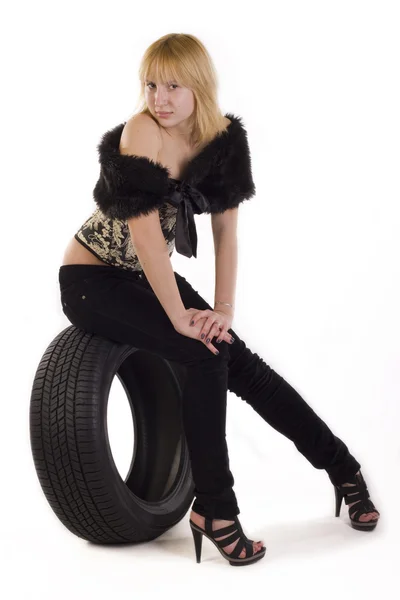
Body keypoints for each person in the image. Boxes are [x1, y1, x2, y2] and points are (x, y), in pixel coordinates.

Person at [59, 33, 380, 566]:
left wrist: (221, 309)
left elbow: (225, 233)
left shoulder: (224, 140)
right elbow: (143, 236)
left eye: (172, 85)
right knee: (202, 353)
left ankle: (342, 467)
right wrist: (181, 318)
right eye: (150, 84)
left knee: (237, 359)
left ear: (200, 86)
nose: (158, 97)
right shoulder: (141, 131)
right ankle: (215, 507)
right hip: (92, 279)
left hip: (145, 277)